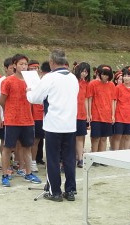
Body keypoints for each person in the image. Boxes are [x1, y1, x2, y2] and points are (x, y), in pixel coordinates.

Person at [27, 49, 79, 202]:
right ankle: (70, 191)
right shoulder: (73, 78)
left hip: (54, 125)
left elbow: (35, 98)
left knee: (53, 158)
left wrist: (29, 91)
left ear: (51, 62)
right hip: (70, 124)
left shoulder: (49, 77)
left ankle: (54, 191)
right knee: (69, 159)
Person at [0, 53, 42, 187]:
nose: (23, 66)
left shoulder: (31, 81)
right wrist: (10, 112)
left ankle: (28, 172)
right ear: (14, 65)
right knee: (7, 148)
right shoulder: (8, 81)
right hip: (12, 120)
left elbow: (36, 98)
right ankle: (5, 174)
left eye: (25, 64)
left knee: (27, 148)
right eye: (21, 64)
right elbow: (2, 101)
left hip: (28, 120)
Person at [87, 65, 115, 158]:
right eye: (103, 74)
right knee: (96, 138)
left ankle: (102, 157)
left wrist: (113, 115)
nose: (105, 76)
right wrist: (89, 113)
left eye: (107, 75)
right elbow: (89, 99)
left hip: (107, 115)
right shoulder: (93, 84)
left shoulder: (111, 85)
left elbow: (113, 100)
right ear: (99, 74)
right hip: (96, 114)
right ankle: (94, 157)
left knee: (104, 138)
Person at [112, 67, 130, 150]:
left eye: (128, 76)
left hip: (129, 116)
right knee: (118, 137)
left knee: (128, 137)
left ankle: (126, 155)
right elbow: (114, 101)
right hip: (119, 116)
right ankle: (116, 154)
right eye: (125, 76)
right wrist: (113, 115)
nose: (126, 78)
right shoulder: (118, 88)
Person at [74, 62, 90, 168]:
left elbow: (86, 99)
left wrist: (88, 113)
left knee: (80, 137)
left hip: (81, 114)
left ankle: (80, 158)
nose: (84, 74)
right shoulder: (73, 82)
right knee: (71, 138)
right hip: (72, 113)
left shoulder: (86, 84)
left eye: (86, 72)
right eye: (82, 71)